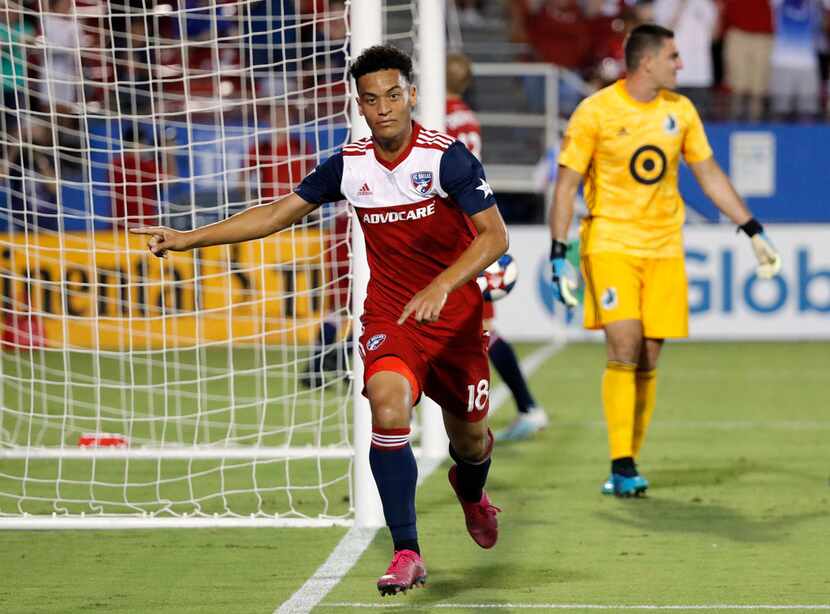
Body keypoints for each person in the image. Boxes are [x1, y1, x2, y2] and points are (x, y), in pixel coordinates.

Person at [132, 44, 506, 596]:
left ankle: (471, 493)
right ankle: (407, 550)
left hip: (452, 318)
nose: (385, 109)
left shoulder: (446, 158)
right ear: (360, 105)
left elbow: (495, 236)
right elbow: (275, 214)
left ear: (411, 96)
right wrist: (189, 238)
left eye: (394, 96)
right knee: (387, 402)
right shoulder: (348, 165)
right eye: (372, 99)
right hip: (391, 315)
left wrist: (442, 284)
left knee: (471, 441)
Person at [547, 24, 782, 497]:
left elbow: (709, 175)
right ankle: (622, 462)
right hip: (610, 241)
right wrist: (559, 252)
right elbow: (567, 186)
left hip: (664, 247)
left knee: (649, 357)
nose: (682, 64)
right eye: (674, 56)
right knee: (624, 346)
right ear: (646, 61)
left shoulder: (682, 111)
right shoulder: (595, 111)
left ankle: (628, 462)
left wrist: (751, 227)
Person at [445, 52, 548, 441]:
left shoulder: (434, 116)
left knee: (478, 326)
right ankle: (525, 406)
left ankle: (524, 406)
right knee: (477, 324)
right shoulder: (468, 116)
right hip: (475, 222)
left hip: (452, 227)